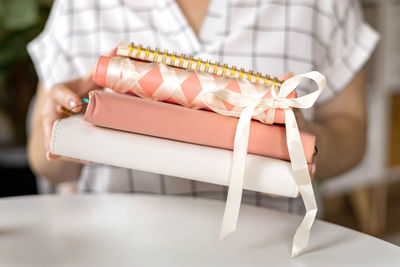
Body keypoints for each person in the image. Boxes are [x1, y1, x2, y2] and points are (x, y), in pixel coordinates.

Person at [27, 0, 379, 213]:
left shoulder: (322, 5)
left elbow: (351, 132)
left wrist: (303, 146)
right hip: (113, 244)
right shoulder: (80, 6)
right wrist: (62, 131)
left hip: (270, 248)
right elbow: (47, 164)